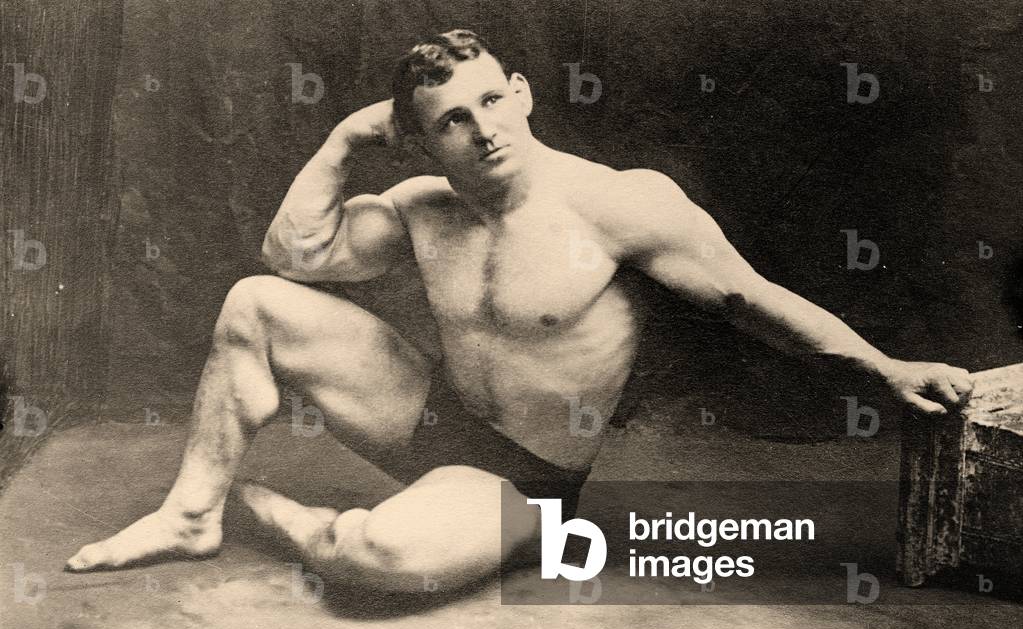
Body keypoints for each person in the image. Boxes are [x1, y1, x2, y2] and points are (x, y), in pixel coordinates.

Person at [66, 30, 973, 593]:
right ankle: (192, 513)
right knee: (252, 303)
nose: (485, 127)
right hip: (432, 420)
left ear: (524, 92)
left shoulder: (621, 204)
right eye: (453, 119)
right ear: (422, 138)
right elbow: (290, 256)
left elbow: (754, 303)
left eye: (493, 99)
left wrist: (886, 371)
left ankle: (276, 512)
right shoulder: (425, 204)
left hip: (526, 479)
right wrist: (344, 138)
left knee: (373, 559)